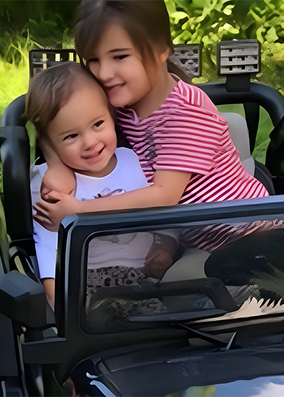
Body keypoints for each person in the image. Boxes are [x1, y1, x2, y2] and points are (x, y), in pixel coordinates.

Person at [32, 0, 269, 232]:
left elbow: (164, 195)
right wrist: (55, 165)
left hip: (248, 231)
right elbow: (54, 124)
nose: (103, 73)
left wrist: (81, 210)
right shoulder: (121, 103)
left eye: (120, 56)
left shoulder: (186, 111)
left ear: (161, 49)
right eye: (93, 60)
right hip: (196, 237)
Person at [25, 62, 177, 308]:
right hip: (83, 281)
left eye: (98, 124)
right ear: (49, 143)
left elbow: (165, 217)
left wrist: (166, 247)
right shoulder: (50, 185)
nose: (90, 142)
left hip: (145, 276)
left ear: (112, 116)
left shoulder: (136, 161)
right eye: (71, 136)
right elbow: (47, 244)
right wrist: (55, 302)